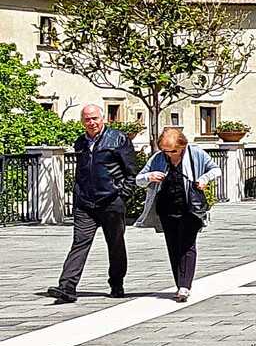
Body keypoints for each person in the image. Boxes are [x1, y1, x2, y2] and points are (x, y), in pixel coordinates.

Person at [47, 104, 138, 303]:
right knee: (80, 243)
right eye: (87, 119)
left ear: (102, 118)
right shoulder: (80, 142)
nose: (91, 123)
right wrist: (78, 193)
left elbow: (131, 171)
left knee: (115, 244)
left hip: (111, 202)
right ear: (82, 122)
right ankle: (67, 286)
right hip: (85, 203)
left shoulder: (118, 139)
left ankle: (116, 282)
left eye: (95, 118)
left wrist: (122, 195)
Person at [135, 128, 221, 303]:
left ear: (183, 146)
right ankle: (180, 283)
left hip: (190, 208)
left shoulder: (195, 153)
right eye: (165, 150)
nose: (169, 154)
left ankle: (185, 286)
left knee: (188, 244)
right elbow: (138, 179)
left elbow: (215, 170)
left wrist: (204, 179)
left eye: (173, 151)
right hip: (167, 208)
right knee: (173, 246)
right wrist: (150, 176)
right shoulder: (158, 158)